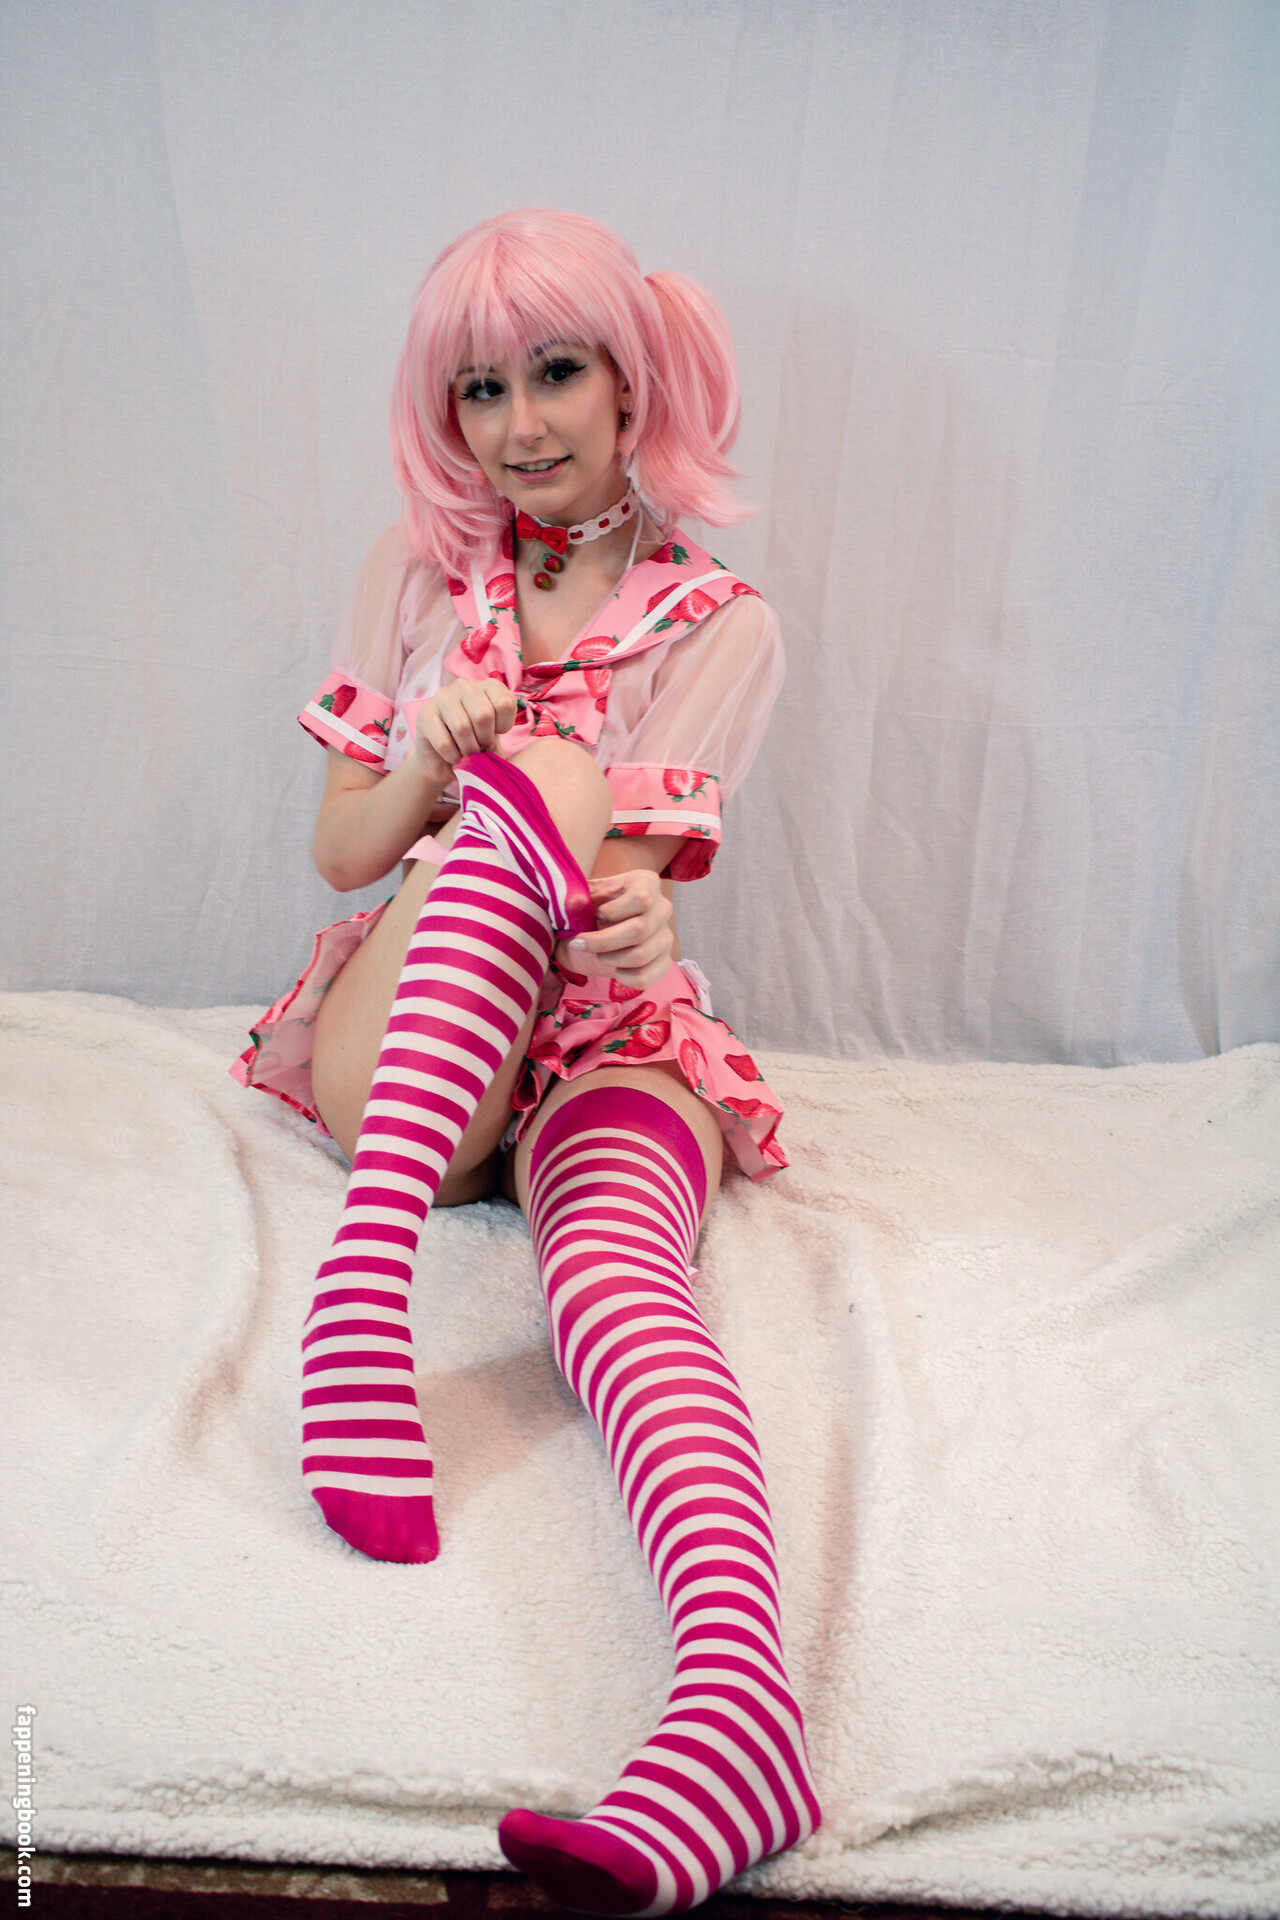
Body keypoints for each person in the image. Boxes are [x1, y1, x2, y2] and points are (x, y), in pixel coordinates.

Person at [231, 208, 820, 1915]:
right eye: (480, 390)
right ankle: (371, 1279)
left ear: (636, 383)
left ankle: (740, 1715)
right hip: (415, 1042)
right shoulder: (417, 572)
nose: (520, 424)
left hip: (591, 1029)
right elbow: (345, 854)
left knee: (619, 1283)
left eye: (556, 373)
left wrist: (642, 928)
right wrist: (429, 757)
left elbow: (632, 886)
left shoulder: (722, 625)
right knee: (541, 772)